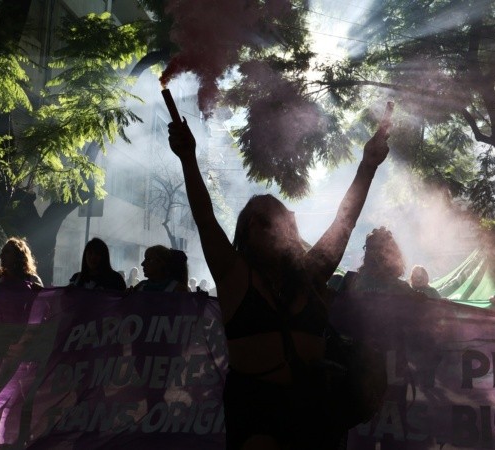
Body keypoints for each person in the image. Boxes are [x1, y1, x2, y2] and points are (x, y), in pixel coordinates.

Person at [168, 105, 392, 449]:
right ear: (246, 231)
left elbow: (343, 222)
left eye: (275, 219)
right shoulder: (233, 273)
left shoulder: (310, 274)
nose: (266, 226)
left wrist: (367, 166)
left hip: (318, 415)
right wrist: (187, 158)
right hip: (257, 413)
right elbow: (204, 215)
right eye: (257, 220)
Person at [353, 227, 417, 296]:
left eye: (380, 248)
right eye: (372, 248)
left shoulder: (353, 282)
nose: (375, 253)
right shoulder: (403, 289)